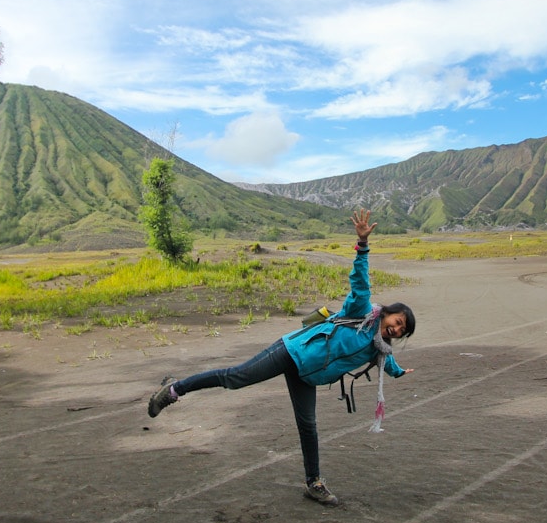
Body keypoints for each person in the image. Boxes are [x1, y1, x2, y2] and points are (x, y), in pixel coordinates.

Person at [147, 209, 416, 506]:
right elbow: (360, 281)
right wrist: (362, 245)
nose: (397, 328)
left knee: (308, 426)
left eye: (402, 330)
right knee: (236, 377)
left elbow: (385, 361)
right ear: (388, 312)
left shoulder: (378, 348)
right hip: (292, 351)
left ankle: (314, 482)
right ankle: (173, 389)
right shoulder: (361, 311)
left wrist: (398, 371)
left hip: (308, 375)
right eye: (398, 320)